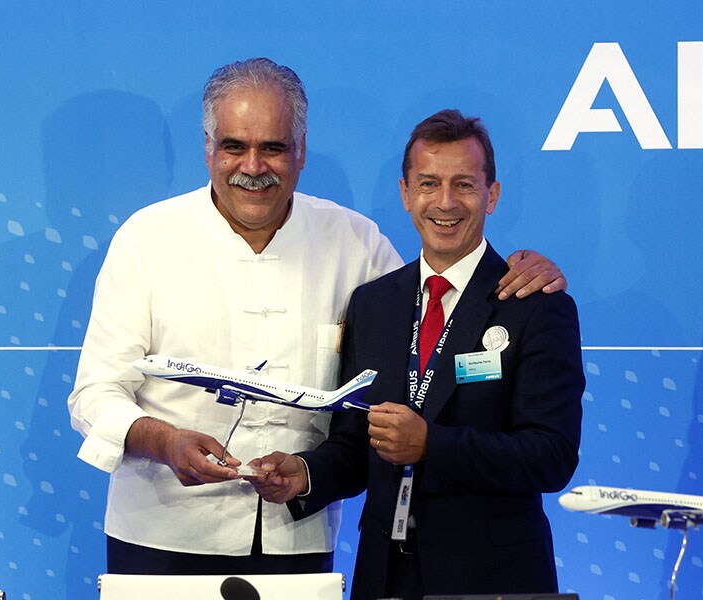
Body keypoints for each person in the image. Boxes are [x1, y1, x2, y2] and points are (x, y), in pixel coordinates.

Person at [67, 58, 566, 576]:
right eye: (234, 145)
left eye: (274, 148)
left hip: (296, 538)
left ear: (302, 151)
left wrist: (517, 272)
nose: (253, 166)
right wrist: (165, 441)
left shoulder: (356, 242)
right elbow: (93, 396)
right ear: (208, 147)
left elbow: (445, 307)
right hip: (160, 532)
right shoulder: (146, 240)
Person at [248, 109, 584, 598]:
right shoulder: (373, 303)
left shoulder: (535, 306)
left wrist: (431, 445)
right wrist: (303, 474)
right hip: (384, 575)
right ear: (405, 193)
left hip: (493, 579)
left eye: (464, 185)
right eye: (428, 184)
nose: (445, 202)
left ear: (492, 194)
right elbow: (355, 443)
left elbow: (551, 457)